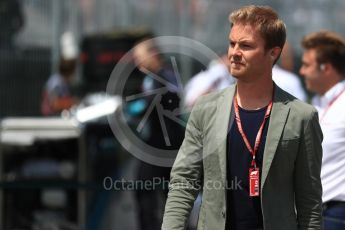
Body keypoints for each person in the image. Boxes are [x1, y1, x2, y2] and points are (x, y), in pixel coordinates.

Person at [162, 5, 323, 230]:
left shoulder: (301, 117)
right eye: (232, 43)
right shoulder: (206, 108)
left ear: (273, 53)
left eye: (246, 46)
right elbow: (184, 181)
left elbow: (310, 202)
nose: (234, 53)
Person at [131, 38, 184, 230]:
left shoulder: (166, 76)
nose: (137, 62)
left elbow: (165, 99)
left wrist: (135, 108)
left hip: (166, 144)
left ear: (153, 55)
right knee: (147, 193)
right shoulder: (150, 78)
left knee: (166, 196)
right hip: (155, 143)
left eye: (140, 57)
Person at [300, 31, 345, 230]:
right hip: (314, 213)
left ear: (325, 68)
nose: (302, 71)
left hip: (336, 214)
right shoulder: (318, 104)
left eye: (307, 65)